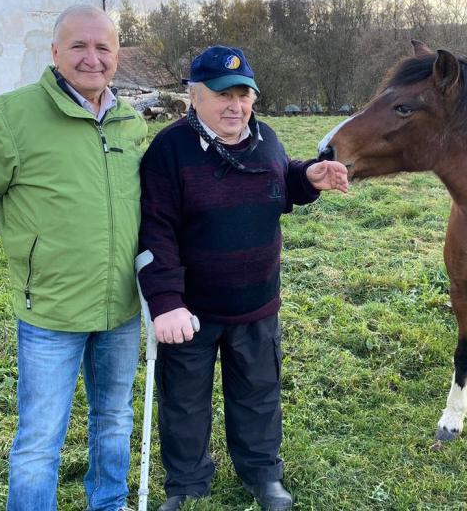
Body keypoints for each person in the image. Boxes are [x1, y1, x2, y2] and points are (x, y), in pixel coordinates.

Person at [0, 5, 147, 511]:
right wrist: (25, 235)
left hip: (120, 307)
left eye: (103, 48)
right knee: (39, 438)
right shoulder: (13, 115)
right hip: (50, 309)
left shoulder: (130, 122)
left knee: (114, 418)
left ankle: (109, 503)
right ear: (55, 53)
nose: (91, 58)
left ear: (117, 56)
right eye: (79, 46)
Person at [138, 46, 349, 511]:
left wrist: (307, 176)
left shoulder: (265, 137)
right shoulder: (168, 152)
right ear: (194, 97)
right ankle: (187, 484)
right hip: (188, 313)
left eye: (244, 94)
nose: (236, 105)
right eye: (222, 94)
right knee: (185, 403)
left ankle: (262, 474)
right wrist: (166, 302)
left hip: (256, 305)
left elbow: (279, 180)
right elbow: (156, 230)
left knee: (258, 395)